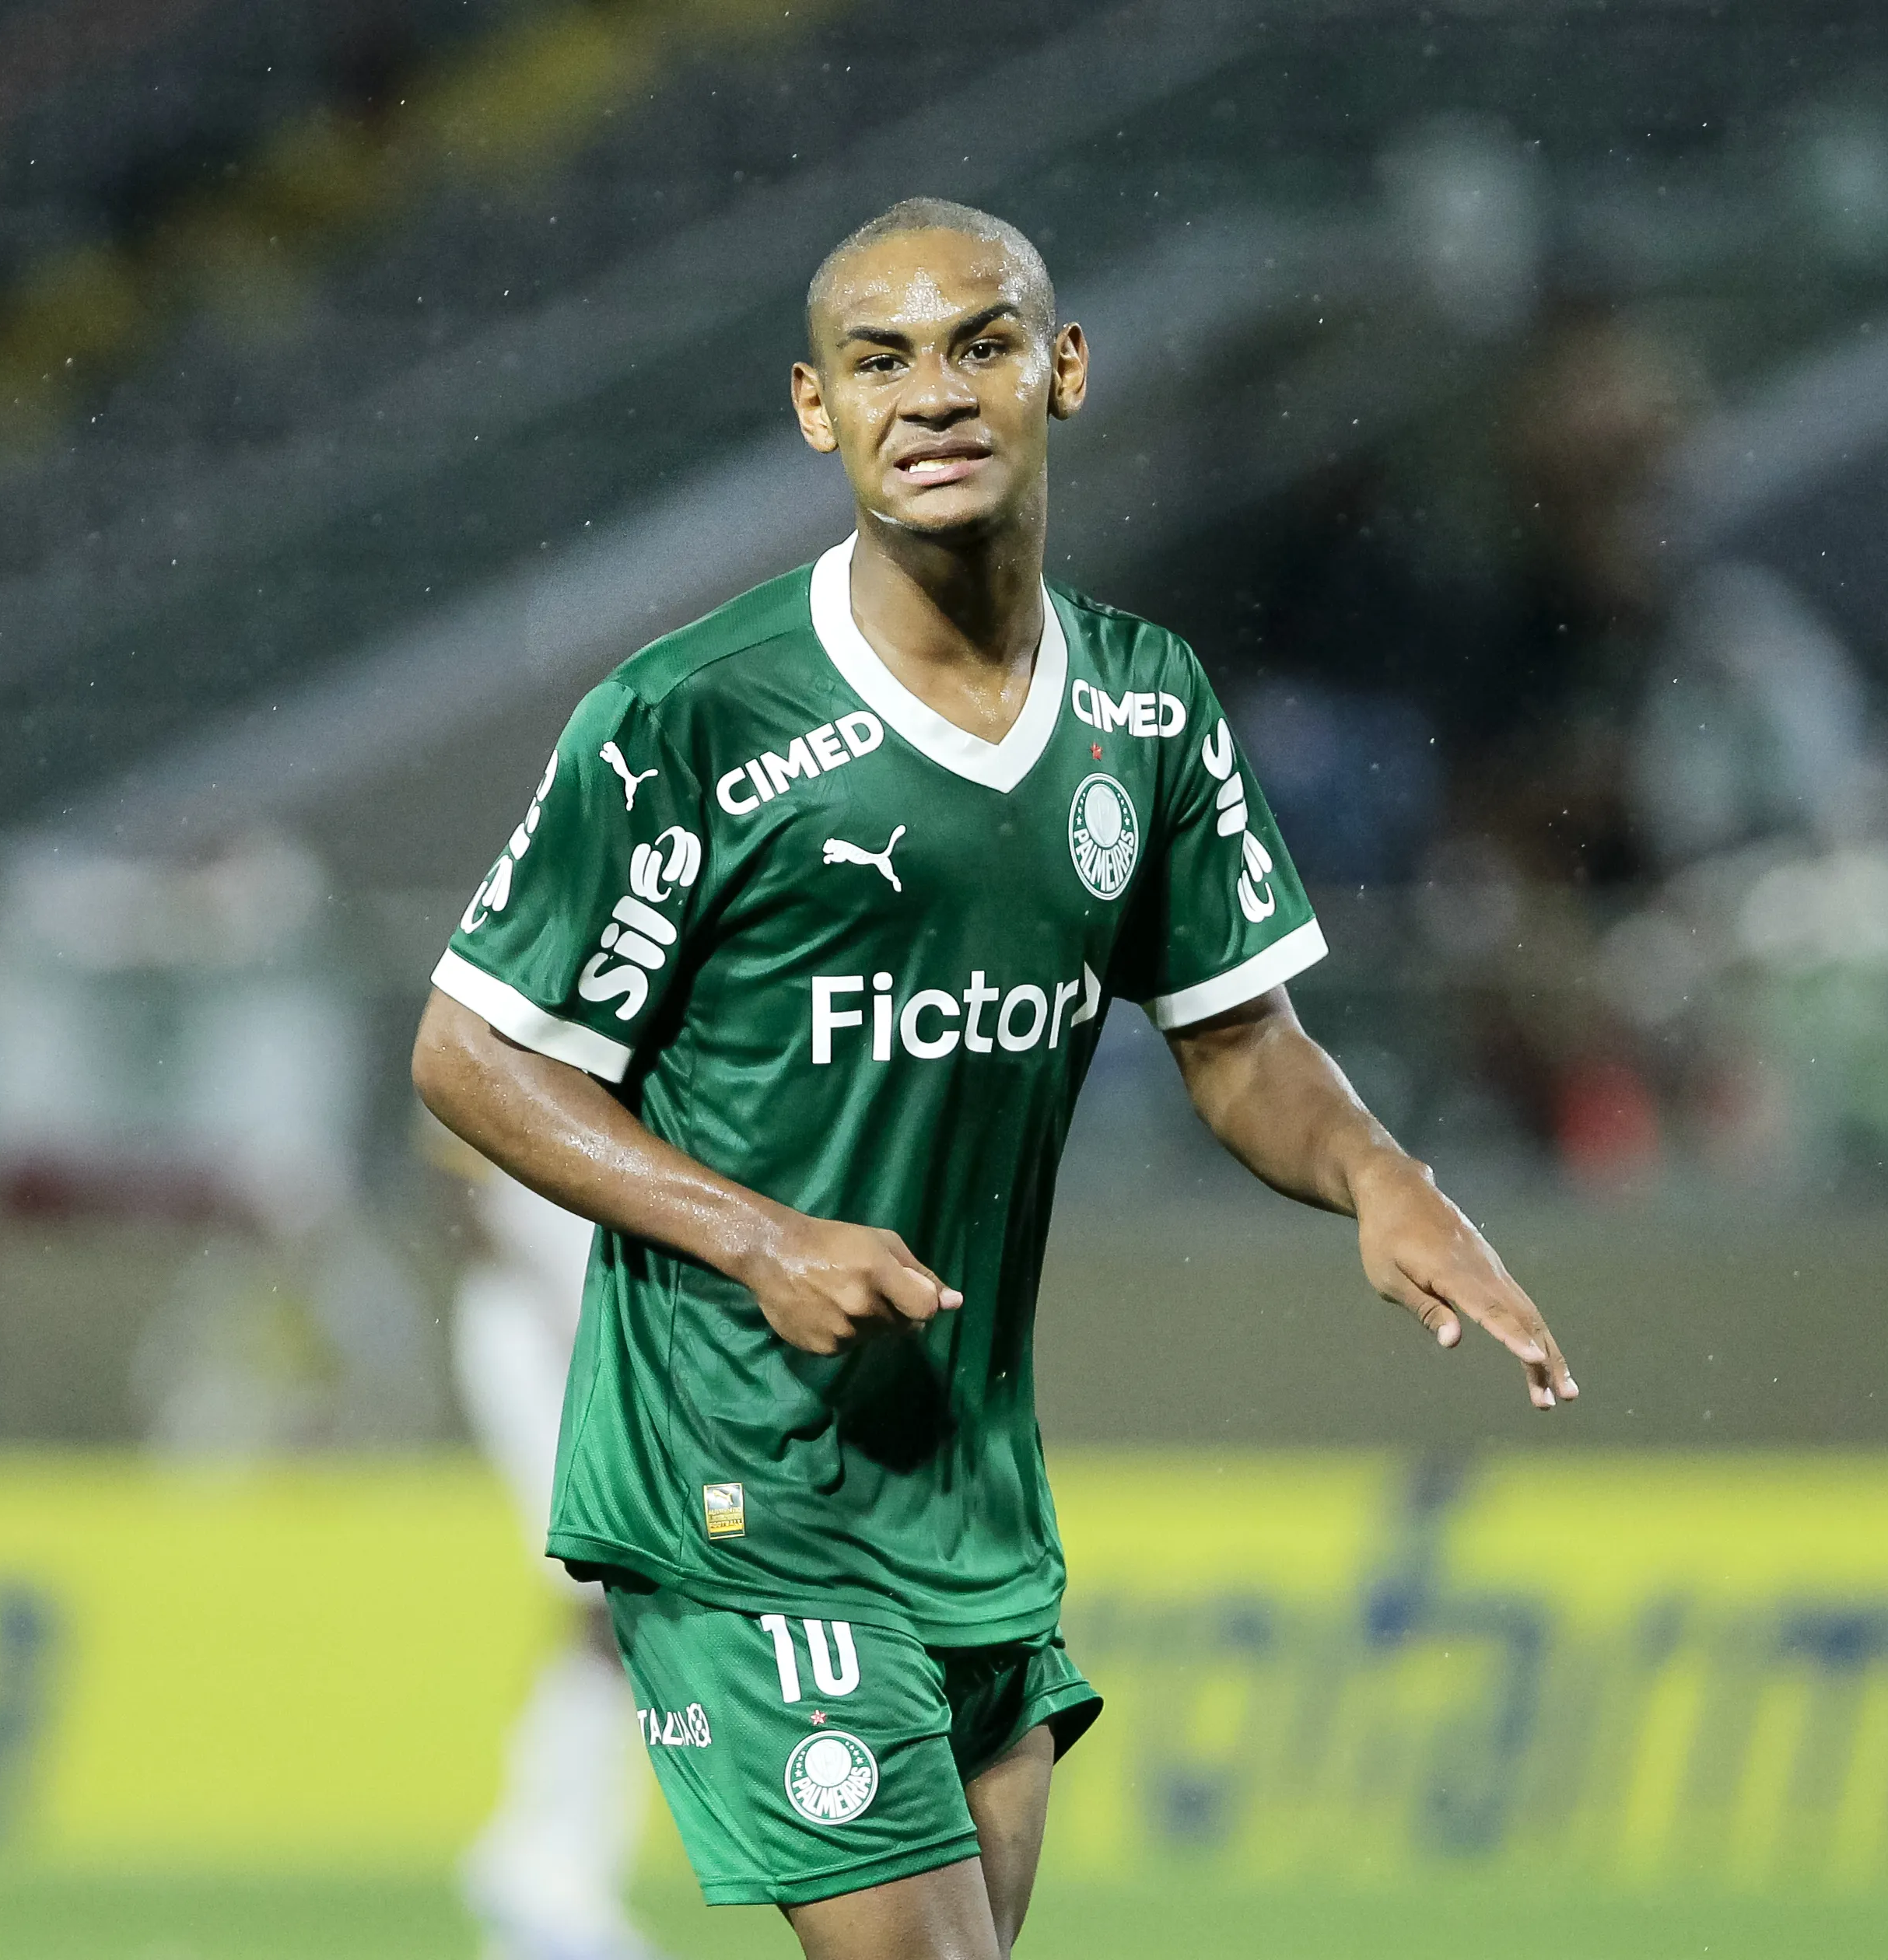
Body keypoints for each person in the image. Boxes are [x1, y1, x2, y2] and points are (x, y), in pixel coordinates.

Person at [410, 198, 1575, 1960]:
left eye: (982, 344)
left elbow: (1236, 1037)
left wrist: (1377, 1174)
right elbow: (470, 1050)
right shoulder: (692, 720)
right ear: (817, 408)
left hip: (961, 1472)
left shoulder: (1146, 709)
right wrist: (757, 1240)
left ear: (1066, 368)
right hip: (739, 1464)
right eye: (880, 361)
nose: (935, 395)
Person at [436, 1136, 659, 1960]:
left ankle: (539, 1863)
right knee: (609, 1591)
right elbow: (454, 1171)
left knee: (618, 1602)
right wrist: (553, 1306)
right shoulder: (526, 1036)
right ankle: (551, 1878)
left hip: (594, 1325)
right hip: (543, 1330)